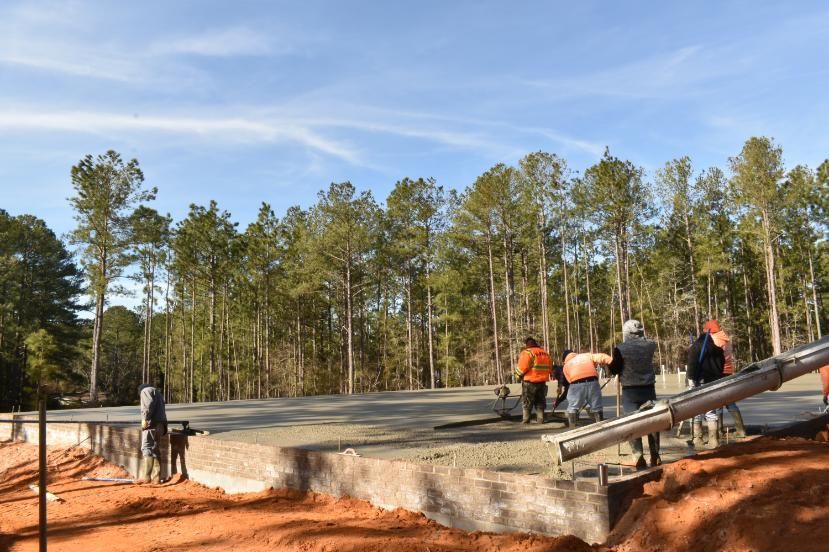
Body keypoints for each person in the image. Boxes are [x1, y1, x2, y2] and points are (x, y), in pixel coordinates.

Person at [609, 319, 660, 470]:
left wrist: (610, 367)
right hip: (649, 389)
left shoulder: (620, 348)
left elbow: (615, 369)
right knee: (653, 423)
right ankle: (655, 455)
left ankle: (638, 456)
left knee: (632, 424)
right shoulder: (650, 345)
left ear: (627, 333)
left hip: (630, 391)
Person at [686, 321, 726, 449]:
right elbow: (721, 366)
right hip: (714, 382)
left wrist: (691, 379)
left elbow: (692, 366)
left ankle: (698, 439)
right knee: (711, 410)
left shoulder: (695, 348)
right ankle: (714, 440)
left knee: (697, 410)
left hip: (700, 381)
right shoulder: (718, 350)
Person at [706, 319, 747, 438]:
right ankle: (739, 429)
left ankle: (720, 431)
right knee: (728, 400)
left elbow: (713, 357)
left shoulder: (716, 340)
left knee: (721, 401)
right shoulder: (725, 338)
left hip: (719, 372)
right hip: (728, 372)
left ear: (710, 330)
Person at [562, 349, 613, 428]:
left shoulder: (566, 366)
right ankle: (600, 427)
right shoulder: (586, 356)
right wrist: (613, 363)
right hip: (593, 381)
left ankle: (572, 428)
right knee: (597, 406)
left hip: (576, 384)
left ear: (565, 359)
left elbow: (569, 381)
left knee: (573, 407)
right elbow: (602, 356)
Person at [514, 337, 552, 424]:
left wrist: (517, 376)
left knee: (527, 401)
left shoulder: (527, 353)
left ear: (527, 345)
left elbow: (522, 367)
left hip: (530, 381)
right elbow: (550, 368)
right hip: (542, 382)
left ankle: (526, 420)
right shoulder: (545, 353)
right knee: (540, 400)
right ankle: (540, 419)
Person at [138, 383, 167, 484]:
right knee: (155, 449)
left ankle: (146, 477)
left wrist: (145, 418)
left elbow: (147, 404)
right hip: (161, 425)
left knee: (146, 447)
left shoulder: (145, 391)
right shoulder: (157, 392)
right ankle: (156, 478)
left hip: (151, 425)